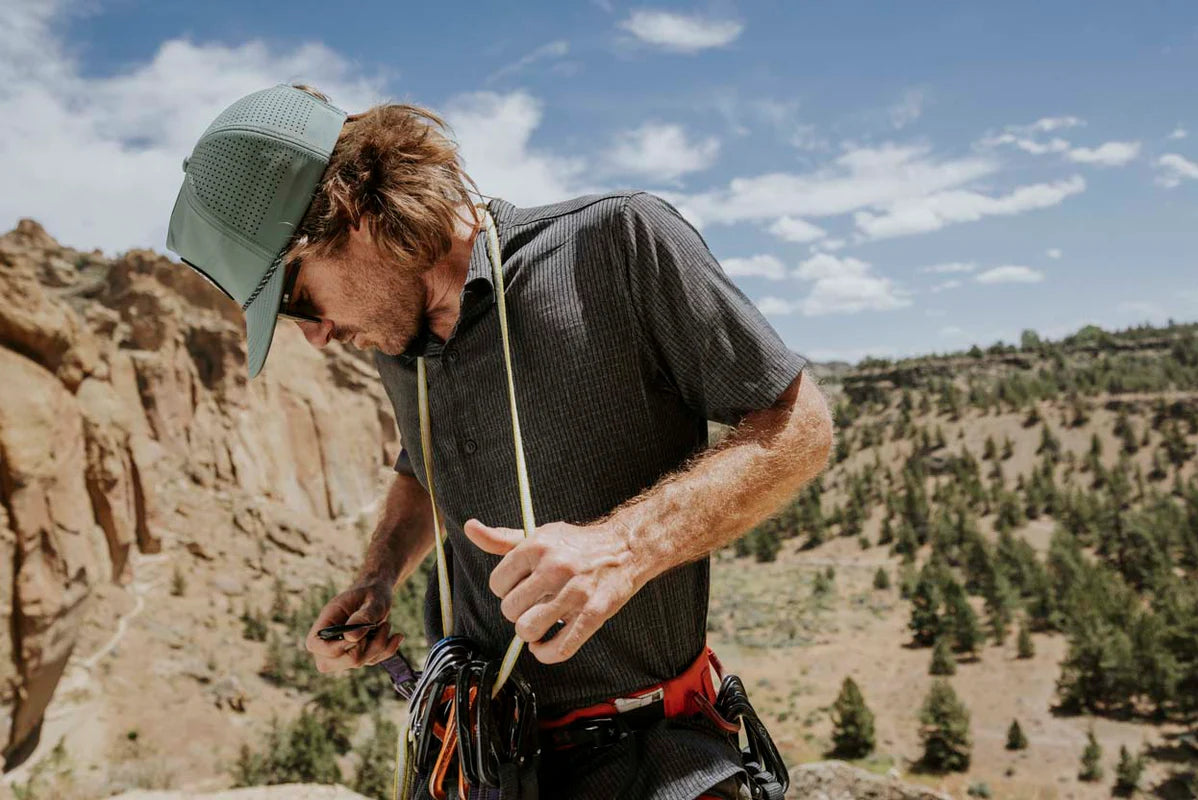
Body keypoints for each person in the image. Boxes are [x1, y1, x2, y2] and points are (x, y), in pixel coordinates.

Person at [166, 83, 833, 800]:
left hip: (651, 765)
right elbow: (422, 469)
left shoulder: (617, 244)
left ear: (354, 212)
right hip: (476, 764)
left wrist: (623, 548)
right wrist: (377, 578)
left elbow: (799, 425)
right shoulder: (396, 340)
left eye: (297, 298)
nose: (317, 334)